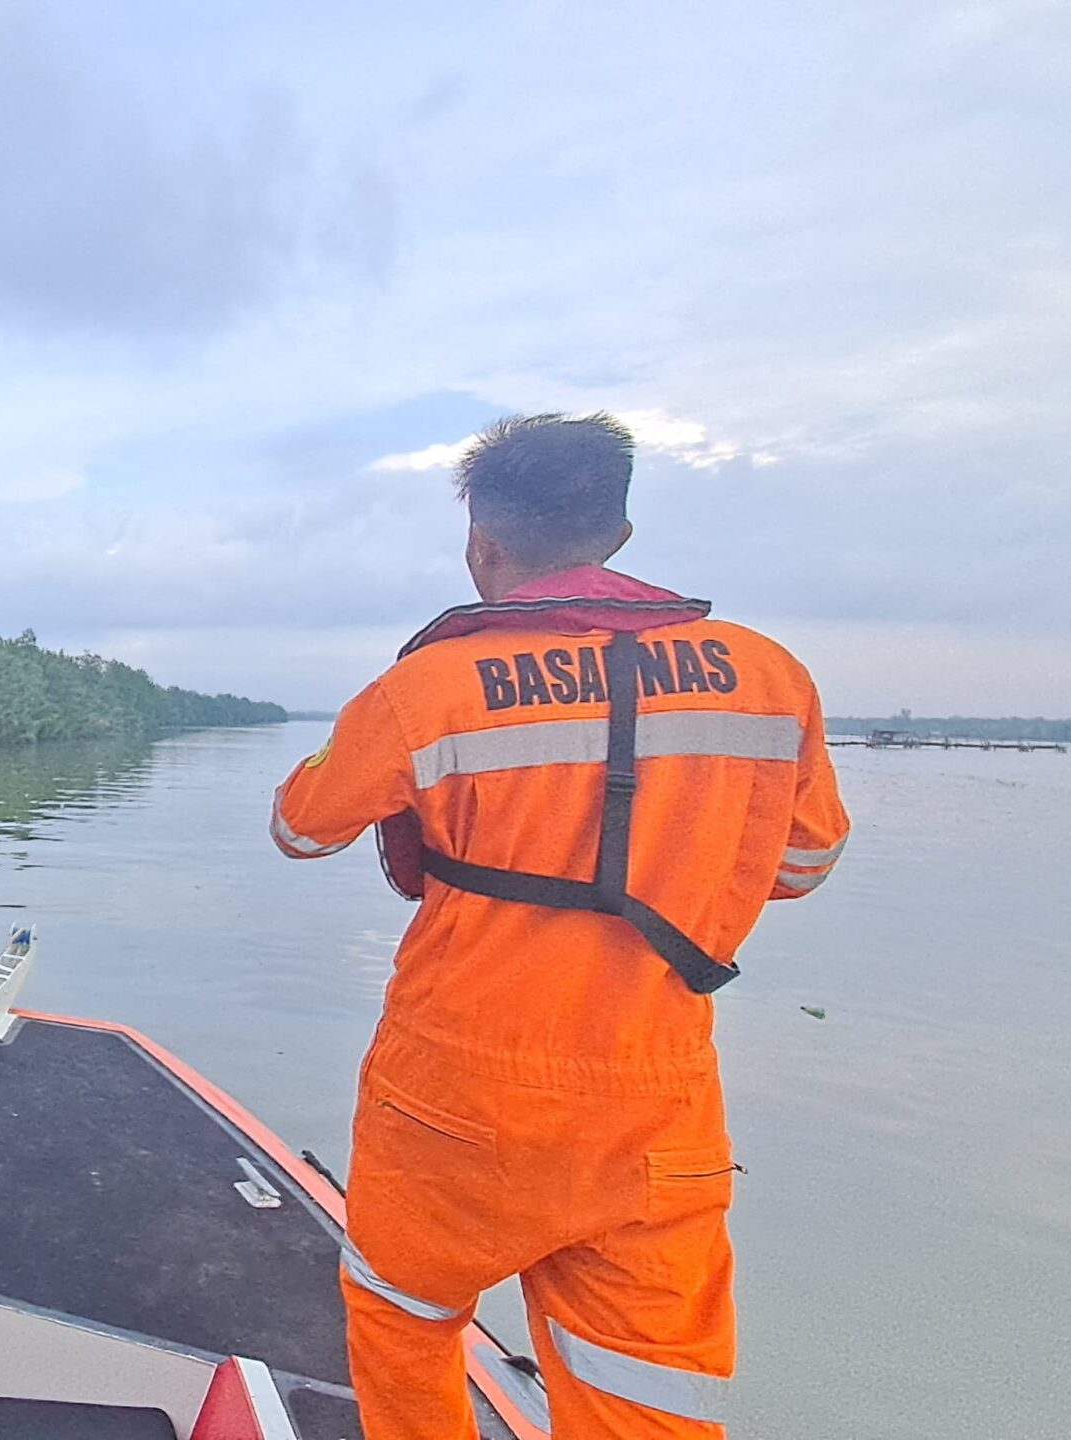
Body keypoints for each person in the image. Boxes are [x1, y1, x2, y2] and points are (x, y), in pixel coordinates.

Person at [270, 414, 850, 1438]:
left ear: (480, 545)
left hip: (451, 1089)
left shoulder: (427, 686)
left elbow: (299, 832)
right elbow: (802, 865)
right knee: (648, 1394)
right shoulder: (768, 677)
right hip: (653, 1101)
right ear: (620, 534)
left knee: (405, 1323)